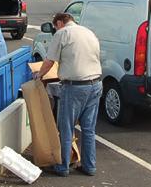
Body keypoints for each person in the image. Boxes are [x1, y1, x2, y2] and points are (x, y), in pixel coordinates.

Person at [35, 12, 102, 177]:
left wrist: (39, 75)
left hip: (75, 87)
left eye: (55, 26)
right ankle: (89, 166)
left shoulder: (62, 33)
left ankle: (63, 167)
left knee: (66, 127)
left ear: (59, 23)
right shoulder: (89, 32)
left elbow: (50, 61)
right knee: (88, 129)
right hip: (95, 84)